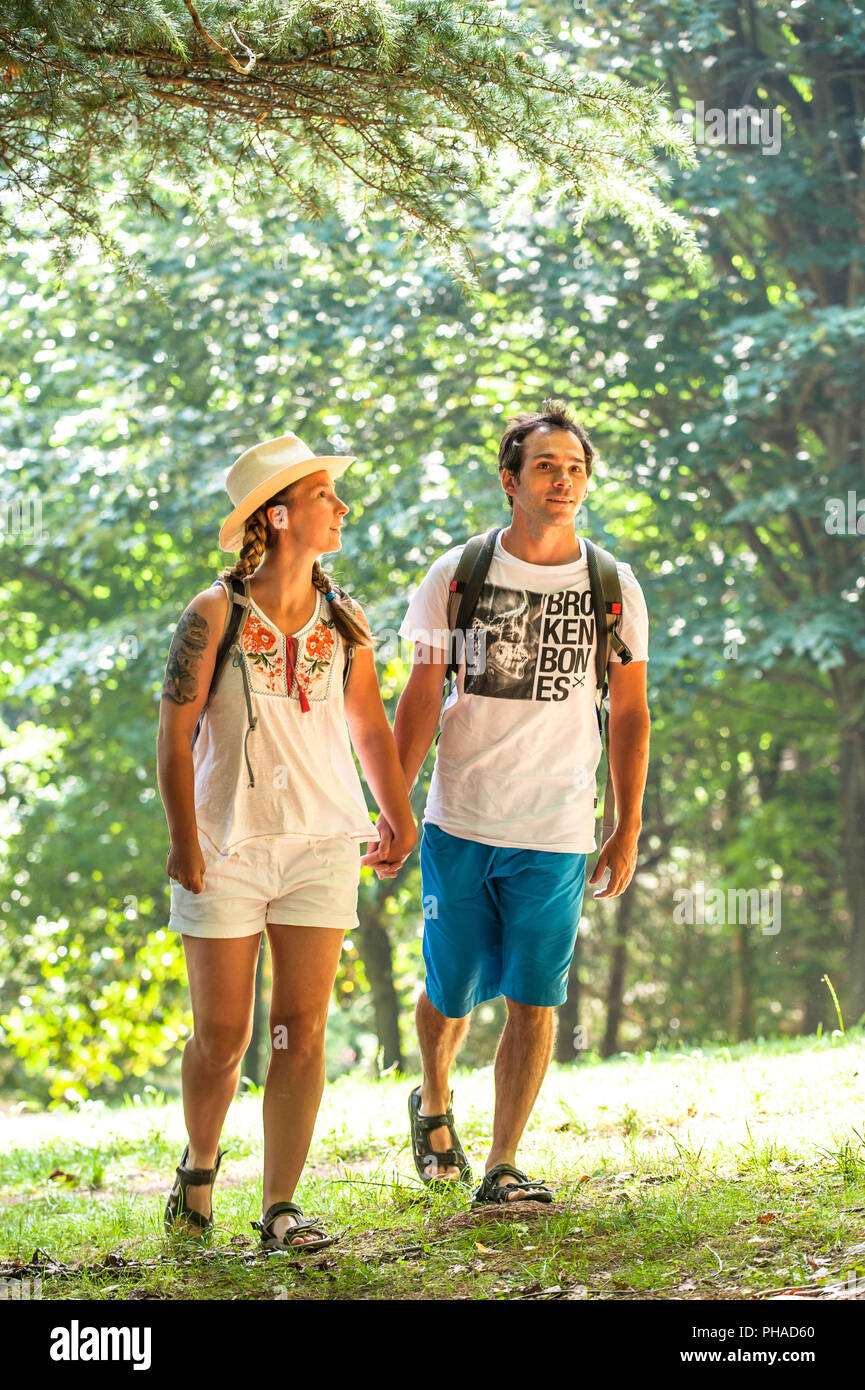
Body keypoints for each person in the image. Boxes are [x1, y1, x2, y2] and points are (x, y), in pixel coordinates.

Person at [385, 400, 651, 1206]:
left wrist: (625, 823)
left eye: (574, 468)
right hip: (460, 817)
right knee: (451, 985)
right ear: (510, 481)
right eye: (545, 466)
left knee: (537, 996)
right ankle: (433, 1102)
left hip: (559, 826)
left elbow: (630, 710)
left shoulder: (610, 585)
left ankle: (501, 1165)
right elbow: (420, 696)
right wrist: (395, 811)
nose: (563, 479)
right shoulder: (458, 574)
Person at [156, 432, 416, 1251]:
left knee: (299, 1030)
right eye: (323, 497)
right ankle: (200, 1167)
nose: (342, 508)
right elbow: (172, 733)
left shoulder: (346, 619)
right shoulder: (214, 612)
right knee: (225, 1036)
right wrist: (182, 840)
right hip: (226, 846)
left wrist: (397, 811)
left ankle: (280, 1208)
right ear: (278, 514)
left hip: (322, 844)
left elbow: (368, 725)